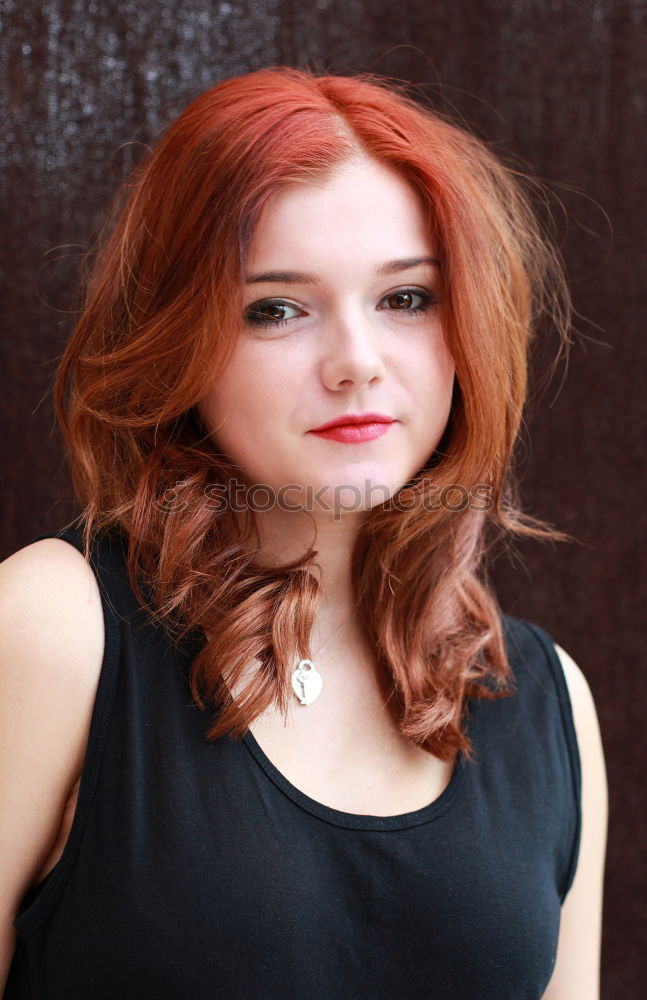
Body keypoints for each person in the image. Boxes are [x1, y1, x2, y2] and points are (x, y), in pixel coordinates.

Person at [0, 66, 607, 998]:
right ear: (178, 341)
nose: (356, 364)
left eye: (407, 298)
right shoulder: (50, 629)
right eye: (275, 308)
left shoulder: (542, 700)